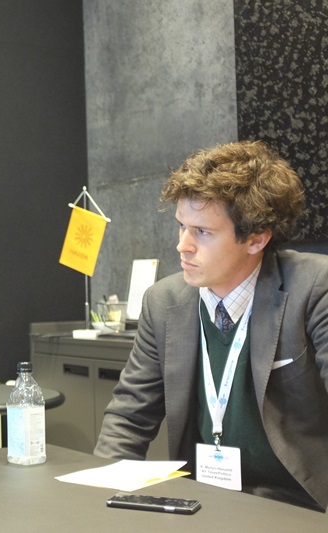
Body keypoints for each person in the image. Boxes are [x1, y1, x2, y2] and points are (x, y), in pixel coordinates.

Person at [95, 140, 328, 511]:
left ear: (256, 239)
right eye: (181, 227)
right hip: (202, 502)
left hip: (300, 505)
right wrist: (92, 501)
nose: (182, 246)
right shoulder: (164, 302)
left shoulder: (314, 287)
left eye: (202, 232)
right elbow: (129, 415)